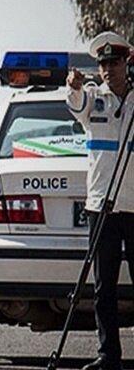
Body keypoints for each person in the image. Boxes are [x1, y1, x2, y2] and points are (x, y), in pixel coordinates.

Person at [66, 31, 134, 370]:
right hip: (101, 204)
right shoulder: (93, 98)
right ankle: (109, 355)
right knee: (103, 286)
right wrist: (74, 86)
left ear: (126, 63)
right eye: (104, 64)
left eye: (115, 63)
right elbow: (76, 104)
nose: (109, 69)